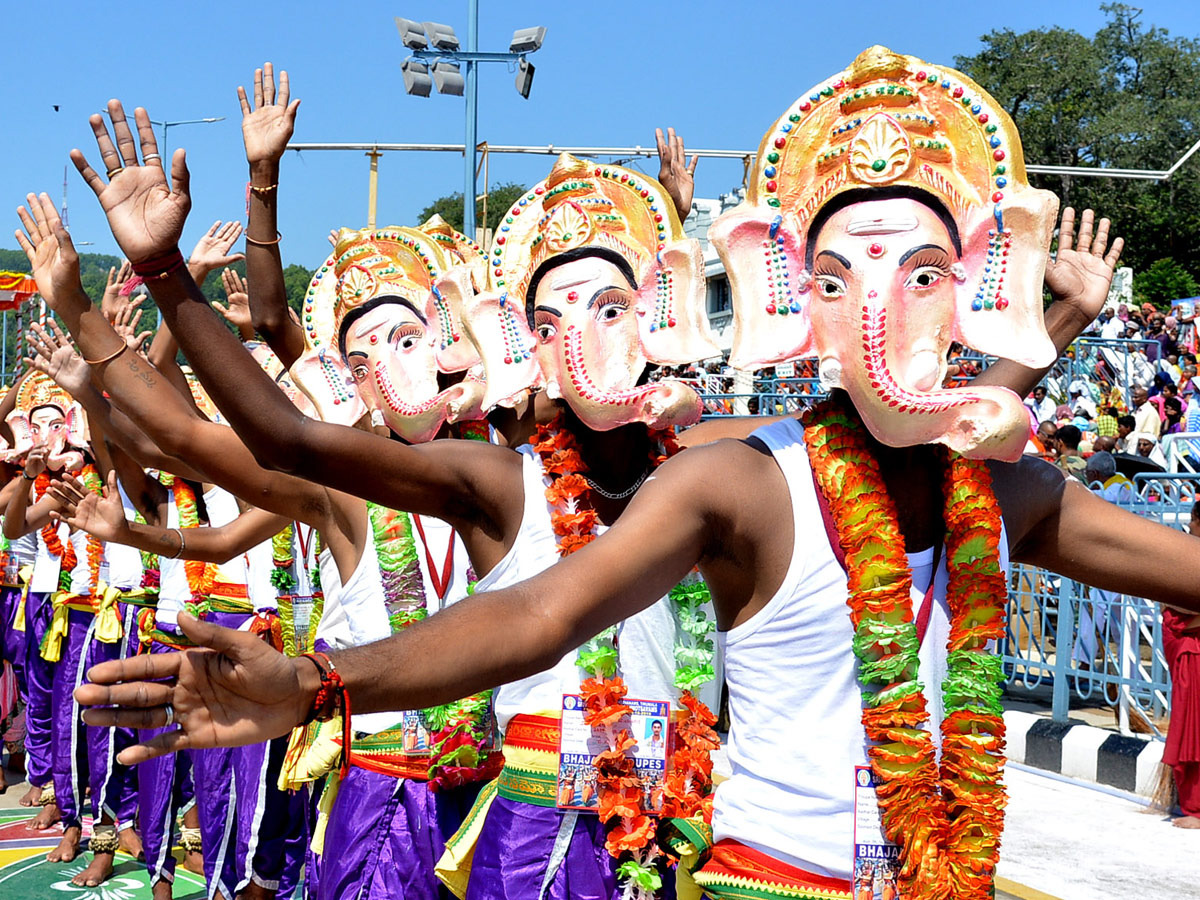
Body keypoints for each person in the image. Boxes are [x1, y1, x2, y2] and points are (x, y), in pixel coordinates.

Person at [66, 47, 1152, 900]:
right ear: (514, 343)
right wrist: (157, 278)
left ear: (670, 312)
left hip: (678, 822)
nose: (587, 342)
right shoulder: (524, 480)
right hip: (535, 811)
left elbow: (914, 412)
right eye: (554, 320)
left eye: (617, 308)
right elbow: (514, 597)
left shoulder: (726, 459)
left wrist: (1055, 323)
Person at [1163, 501, 1200, 828]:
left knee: (1195, 726)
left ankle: (1197, 810)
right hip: (1187, 649)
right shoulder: (1187, 553)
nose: (1188, 525)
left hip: (1194, 650)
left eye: (1191, 520)